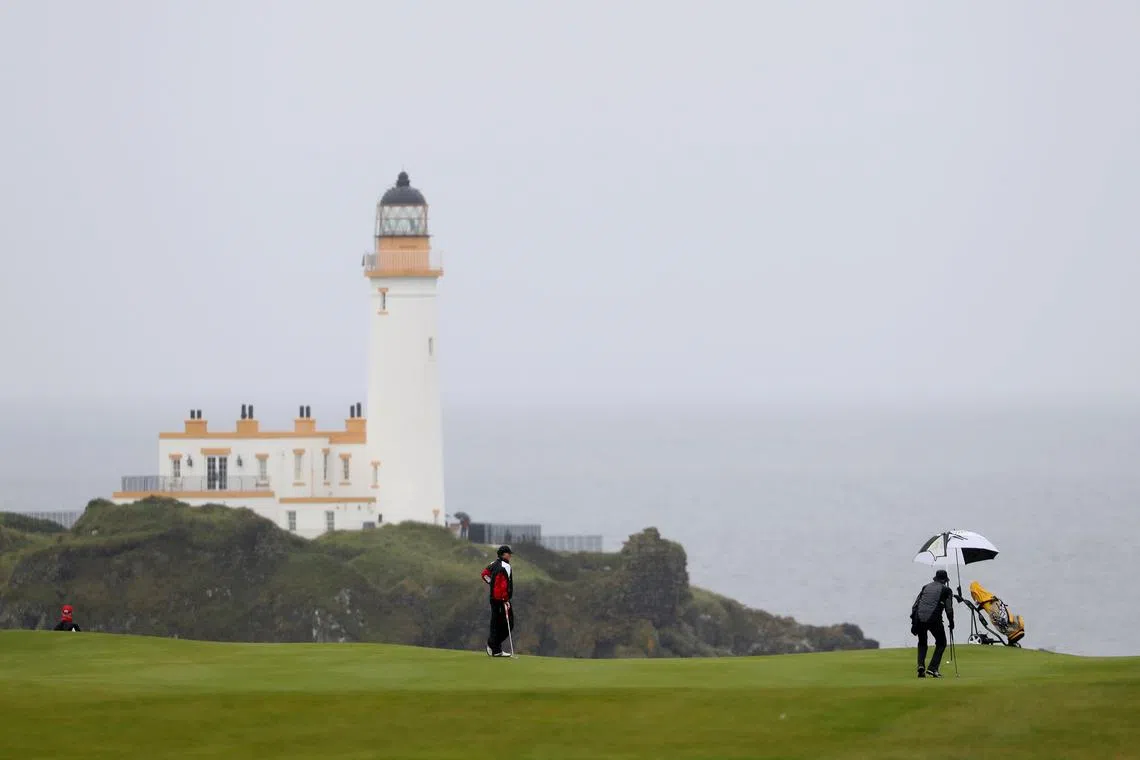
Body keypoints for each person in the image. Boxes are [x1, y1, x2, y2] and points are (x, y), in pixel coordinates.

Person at [911, 569, 954, 677]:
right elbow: (949, 609)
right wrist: (951, 622)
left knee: (922, 642)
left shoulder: (925, 587)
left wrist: (913, 622)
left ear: (935, 578)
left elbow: (916, 604)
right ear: (945, 580)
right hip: (933, 619)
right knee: (941, 642)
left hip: (919, 618)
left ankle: (921, 666)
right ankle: (933, 668)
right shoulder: (947, 590)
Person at [481, 545, 514, 657]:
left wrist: (491, 583)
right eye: (509, 553)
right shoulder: (506, 566)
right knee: (507, 623)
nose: (510, 555)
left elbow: (484, 574)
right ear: (504, 554)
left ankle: (495, 647)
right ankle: (493, 646)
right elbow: (504, 585)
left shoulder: (493, 563)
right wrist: (505, 600)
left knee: (496, 623)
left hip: (493, 599)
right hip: (501, 600)